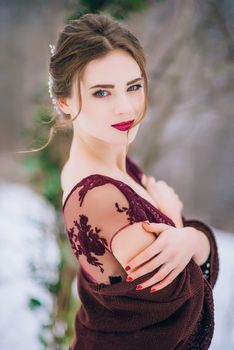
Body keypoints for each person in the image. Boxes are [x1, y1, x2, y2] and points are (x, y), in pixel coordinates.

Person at [47, 12, 219, 350]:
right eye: (101, 93)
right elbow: (181, 314)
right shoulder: (99, 197)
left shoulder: (114, 162)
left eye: (133, 86)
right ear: (65, 102)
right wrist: (180, 226)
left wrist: (188, 240)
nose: (125, 107)